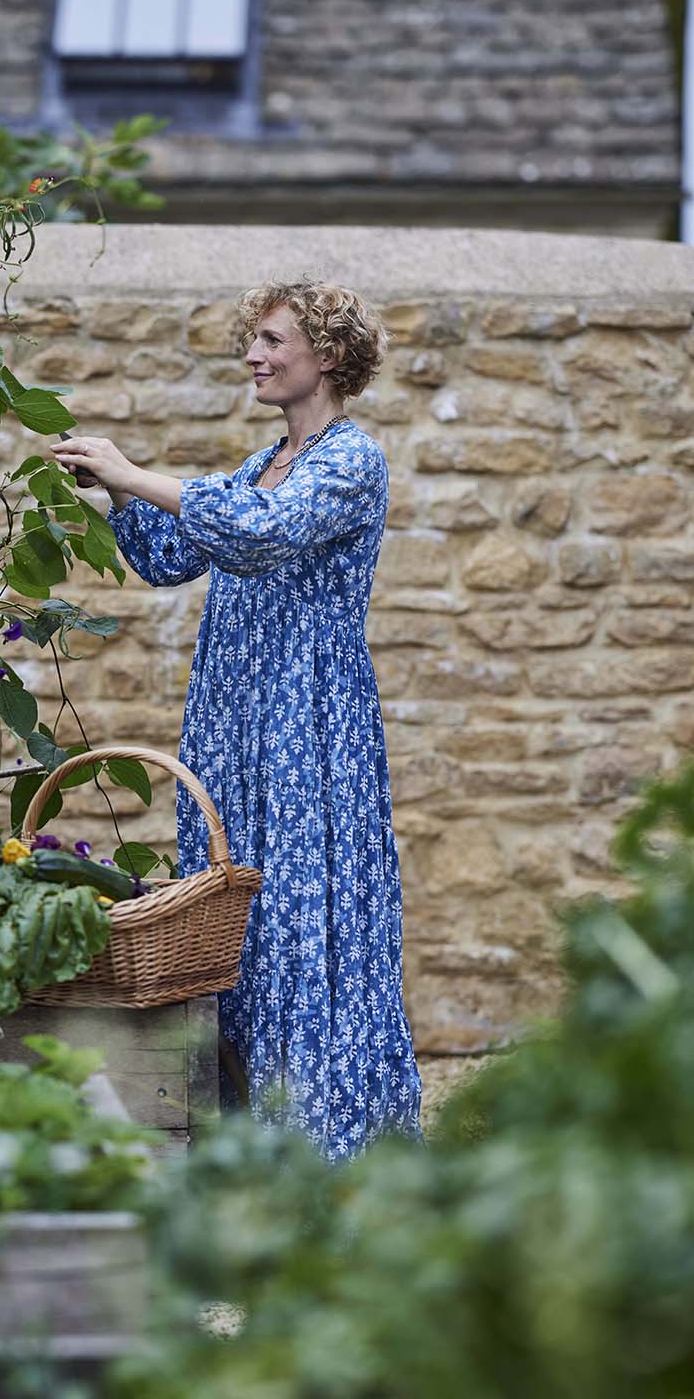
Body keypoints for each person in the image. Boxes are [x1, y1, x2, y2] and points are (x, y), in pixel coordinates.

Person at [49, 280, 422, 1161]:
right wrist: (115, 488)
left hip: (308, 723)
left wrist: (138, 473)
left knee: (303, 923)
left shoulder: (349, 462)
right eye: (250, 340)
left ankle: (333, 1152)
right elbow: (169, 558)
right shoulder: (256, 466)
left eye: (269, 339)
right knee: (234, 919)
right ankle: (242, 1151)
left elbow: (261, 534)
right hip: (232, 720)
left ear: (326, 355)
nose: (251, 354)